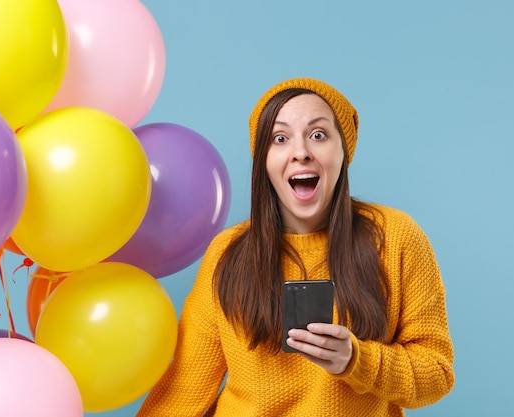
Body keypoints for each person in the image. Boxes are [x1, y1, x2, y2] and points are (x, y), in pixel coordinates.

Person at [137, 78, 455, 416]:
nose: (300, 152)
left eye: (318, 135)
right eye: (280, 138)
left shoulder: (396, 237)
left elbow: (436, 373)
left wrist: (355, 360)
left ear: (343, 150)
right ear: (264, 159)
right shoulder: (227, 252)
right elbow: (183, 388)